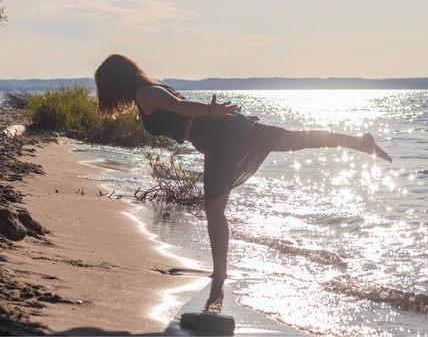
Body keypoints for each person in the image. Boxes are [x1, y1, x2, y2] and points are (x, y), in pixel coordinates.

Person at [94, 54, 392, 280]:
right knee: (293, 141)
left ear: (115, 81)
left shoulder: (146, 94)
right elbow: (184, 114)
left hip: (223, 139)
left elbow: (182, 107)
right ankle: (359, 142)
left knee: (217, 208)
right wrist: (213, 116)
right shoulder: (146, 92)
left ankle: (220, 273)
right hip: (221, 137)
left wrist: (210, 110)